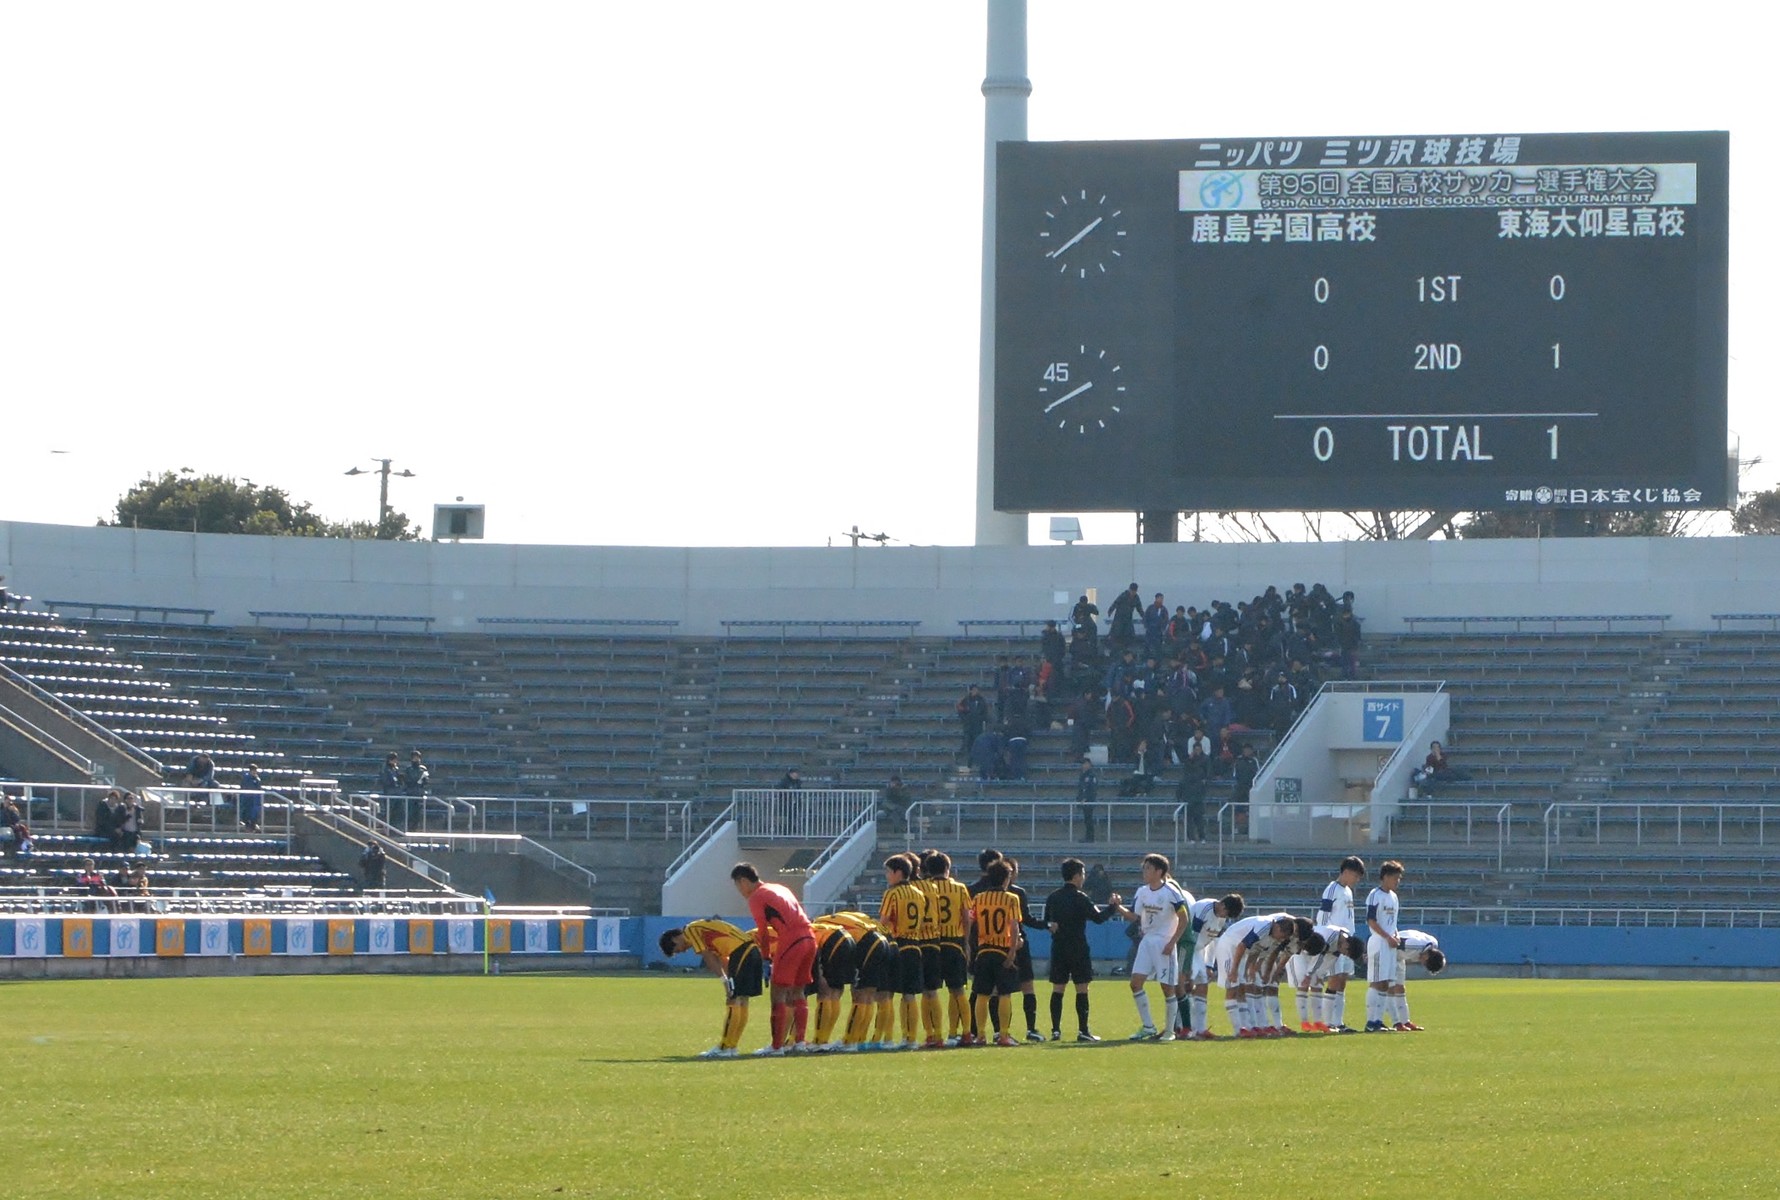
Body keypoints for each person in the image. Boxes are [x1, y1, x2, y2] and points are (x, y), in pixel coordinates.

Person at [731, 862, 818, 1055]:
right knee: (798, 991)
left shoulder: (756, 897)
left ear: (743, 881)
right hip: (810, 937)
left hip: (791, 939)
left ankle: (776, 1046)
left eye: (738, 886)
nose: (739, 891)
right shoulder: (779, 887)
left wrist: (765, 959)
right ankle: (799, 1042)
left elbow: (762, 932)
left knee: (778, 992)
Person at [659, 919, 764, 1059]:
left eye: (677, 949)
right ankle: (732, 1046)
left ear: (675, 938)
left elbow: (708, 957)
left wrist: (725, 981)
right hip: (751, 950)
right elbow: (720, 958)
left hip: (741, 952)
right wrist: (728, 978)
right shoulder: (703, 930)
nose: (683, 951)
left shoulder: (690, 930)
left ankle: (725, 1047)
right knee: (742, 1000)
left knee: (733, 1000)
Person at [1043, 857, 1121, 1041]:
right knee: (1082, 989)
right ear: (1077, 876)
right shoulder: (1081, 898)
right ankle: (1083, 1030)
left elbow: (1047, 921)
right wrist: (1113, 907)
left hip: (1059, 947)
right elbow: (1098, 918)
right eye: (1083, 874)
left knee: (1058, 989)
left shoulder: (1053, 897)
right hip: (1078, 948)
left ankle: (1055, 1030)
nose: (1084, 877)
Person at [1115, 853, 1189, 1041]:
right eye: (1144, 868)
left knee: (1167, 987)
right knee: (1135, 983)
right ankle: (1148, 1026)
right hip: (1147, 941)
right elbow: (1136, 916)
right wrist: (1118, 908)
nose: (1144, 872)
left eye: (1148, 868)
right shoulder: (1142, 891)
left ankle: (1170, 1031)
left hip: (1164, 942)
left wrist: (1172, 942)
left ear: (1159, 871)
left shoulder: (1171, 893)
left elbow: (1184, 918)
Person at [1301, 855, 1365, 1032]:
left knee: (1342, 980)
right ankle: (1329, 1022)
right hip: (1335, 942)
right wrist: (1326, 940)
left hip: (1347, 942)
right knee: (1334, 980)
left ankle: (1338, 1021)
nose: (1357, 880)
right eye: (1356, 875)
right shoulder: (1332, 889)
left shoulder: (1348, 891)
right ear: (1346, 872)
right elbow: (1323, 917)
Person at [966, 859, 1025, 1046]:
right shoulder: (1011, 898)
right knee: (1004, 994)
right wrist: (1012, 951)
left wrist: (969, 944)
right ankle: (1004, 1035)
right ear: (1006, 878)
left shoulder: (979, 898)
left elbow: (970, 922)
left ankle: (981, 1035)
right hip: (1002, 949)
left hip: (983, 951)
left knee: (982, 995)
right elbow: (1014, 927)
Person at [919, 851, 973, 1047]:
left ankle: (932, 1034)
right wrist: (966, 942)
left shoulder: (926, 888)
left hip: (931, 942)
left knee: (929, 991)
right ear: (947, 869)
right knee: (957, 990)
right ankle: (963, 1033)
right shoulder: (959, 888)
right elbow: (966, 917)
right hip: (954, 942)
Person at [877, 853, 928, 1051]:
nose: (887, 876)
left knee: (887, 993)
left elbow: (883, 922)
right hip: (915, 946)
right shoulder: (919, 894)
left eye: (888, 872)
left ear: (899, 873)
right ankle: (910, 1038)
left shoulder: (892, 893)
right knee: (909, 995)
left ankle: (888, 1038)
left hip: (896, 945)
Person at [1181, 893, 1244, 1039]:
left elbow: (1213, 941)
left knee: (1202, 987)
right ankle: (1182, 1028)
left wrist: (1209, 965)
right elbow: (1192, 937)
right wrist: (1188, 964)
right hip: (1188, 949)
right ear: (1222, 905)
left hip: (1199, 951)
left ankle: (1200, 1029)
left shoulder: (1221, 917)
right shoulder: (1203, 909)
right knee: (1186, 988)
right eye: (1226, 913)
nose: (1225, 917)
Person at [1364, 860, 1406, 1033]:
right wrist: (1387, 937)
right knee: (1377, 981)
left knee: (1386, 983)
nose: (1398, 882)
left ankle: (1378, 1020)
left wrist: (1395, 935)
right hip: (1379, 942)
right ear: (1386, 877)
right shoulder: (1375, 895)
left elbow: (1392, 922)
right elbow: (1371, 921)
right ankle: (1370, 1021)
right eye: (1395, 878)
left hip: (1389, 943)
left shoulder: (1393, 897)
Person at [807, 919, 858, 1051]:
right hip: (848, 939)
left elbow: (813, 953)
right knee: (835, 993)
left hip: (835, 941)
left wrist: (820, 975)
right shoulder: (820, 925)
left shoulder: (804, 931)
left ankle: (818, 1041)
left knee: (824, 993)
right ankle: (824, 1039)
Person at [1386, 929, 1446, 1031]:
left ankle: (1406, 1021)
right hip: (1388, 954)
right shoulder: (1412, 945)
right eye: (1424, 963)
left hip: (1399, 957)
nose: (1421, 963)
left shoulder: (1432, 945)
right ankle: (1397, 1023)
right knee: (1390, 988)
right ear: (1427, 956)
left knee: (1400, 988)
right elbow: (1389, 943)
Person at [1175, 741, 1210, 843]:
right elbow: (1179, 789)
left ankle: (1200, 837)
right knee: (1191, 820)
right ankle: (1194, 838)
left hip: (1196, 800)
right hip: (1190, 799)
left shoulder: (1202, 765)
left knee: (1198, 820)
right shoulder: (1187, 777)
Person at [956, 685, 989, 762]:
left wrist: (982, 719)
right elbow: (960, 710)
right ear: (970, 690)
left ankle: (978, 758)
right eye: (973, 690)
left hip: (978, 726)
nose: (975, 692)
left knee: (978, 742)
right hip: (968, 726)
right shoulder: (965, 700)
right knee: (967, 742)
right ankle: (966, 758)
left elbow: (985, 712)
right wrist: (965, 719)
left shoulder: (981, 700)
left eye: (976, 690)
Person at [1075, 757, 1099, 843]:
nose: (1084, 765)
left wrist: (1086, 798)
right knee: (1086, 819)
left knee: (1089, 819)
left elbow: (1092, 789)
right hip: (1084, 801)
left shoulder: (1091, 775)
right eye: (1083, 764)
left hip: (1089, 801)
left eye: (1086, 763)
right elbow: (1081, 789)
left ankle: (1090, 837)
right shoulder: (1082, 775)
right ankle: (1088, 836)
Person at [238, 762, 265, 833]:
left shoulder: (257, 779)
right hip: (247, 799)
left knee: (254, 813)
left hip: (255, 800)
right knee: (247, 813)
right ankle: (248, 827)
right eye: (253, 770)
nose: (255, 772)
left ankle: (253, 826)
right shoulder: (246, 778)